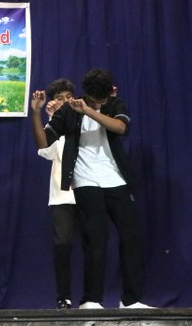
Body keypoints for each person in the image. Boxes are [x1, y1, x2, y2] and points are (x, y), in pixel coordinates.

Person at [43, 68, 150, 309]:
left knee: (131, 237)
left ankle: (130, 300)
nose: (97, 104)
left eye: (101, 100)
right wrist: (37, 114)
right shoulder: (70, 109)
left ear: (110, 93)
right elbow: (46, 139)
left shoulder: (115, 104)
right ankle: (91, 299)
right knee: (96, 239)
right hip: (85, 180)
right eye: (92, 100)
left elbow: (121, 128)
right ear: (86, 93)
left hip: (115, 177)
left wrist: (90, 110)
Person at [30, 79, 78, 309]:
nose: (65, 101)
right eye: (60, 98)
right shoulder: (54, 126)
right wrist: (37, 113)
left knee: (95, 244)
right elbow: (45, 149)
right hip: (62, 194)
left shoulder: (83, 119)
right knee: (62, 245)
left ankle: (93, 298)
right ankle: (64, 297)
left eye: (69, 97)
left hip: (89, 190)